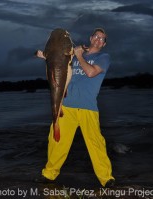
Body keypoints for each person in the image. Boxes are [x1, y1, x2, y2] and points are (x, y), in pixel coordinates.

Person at [35, 28, 115, 187]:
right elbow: (59, 62)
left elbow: (91, 73)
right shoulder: (74, 53)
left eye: (102, 39)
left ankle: (106, 178)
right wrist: (45, 55)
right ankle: (49, 174)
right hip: (67, 106)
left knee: (96, 143)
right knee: (56, 141)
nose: (98, 39)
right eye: (96, 36)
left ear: (104, 44)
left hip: (88, 107)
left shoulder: (103, 57)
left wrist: (78, 55)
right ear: (91, 37)